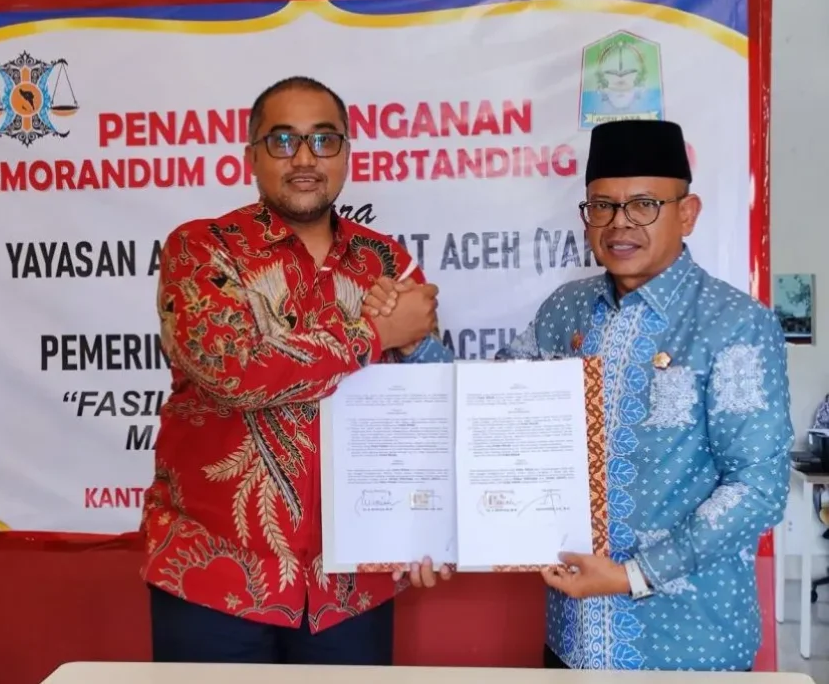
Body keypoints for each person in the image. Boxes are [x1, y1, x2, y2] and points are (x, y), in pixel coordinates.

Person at [362, 119, 793, 671]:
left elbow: (758, 489)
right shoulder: (565, 308)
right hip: (574, 640)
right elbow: (485, 416)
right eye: (602, 206)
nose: (619, 224)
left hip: (688, 647)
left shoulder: (734, 324)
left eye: (643, 205)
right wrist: (415, 339)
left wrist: (633, 574)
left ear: (687, 213)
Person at [142, 76, 451, 666]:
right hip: (214, 575)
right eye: (282, 140)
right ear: (251, 156)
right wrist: (375, 334)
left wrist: (427, 526)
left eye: (324, 140)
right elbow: (232, 372)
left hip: (351, 584)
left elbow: (418, 405)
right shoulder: (203, 249)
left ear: (346, 153)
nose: (305, 158)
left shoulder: (387, 261)